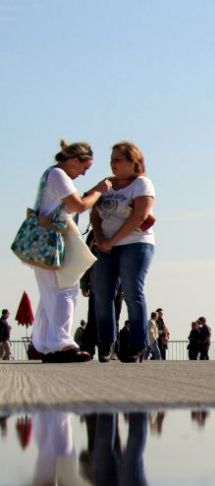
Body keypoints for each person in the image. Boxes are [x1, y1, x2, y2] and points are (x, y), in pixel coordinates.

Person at [27, 141, 111, 363]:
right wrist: (99, 192)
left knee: (49, 295)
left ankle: (45, 343)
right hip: (53, 241)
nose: (83, 174)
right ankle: (61, 344)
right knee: (65, 290)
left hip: (42, 241)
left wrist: (91, 192)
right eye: (84, 168)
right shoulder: (59, 175)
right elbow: (78, 206)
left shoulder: (51, 174)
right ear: (74, 161)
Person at [91, 142, 154, 363]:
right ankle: (106, 344)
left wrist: (113, 240)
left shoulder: (141, 184)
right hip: (106, 245)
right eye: (111, 159)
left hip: (135, 243)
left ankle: (138, 344)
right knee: (102, 293)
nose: (112, 163)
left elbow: (139, 215)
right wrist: (100, 239)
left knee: (132, 291)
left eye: (118, 159)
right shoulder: (107, 186)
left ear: (132, 162)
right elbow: (95, 215)